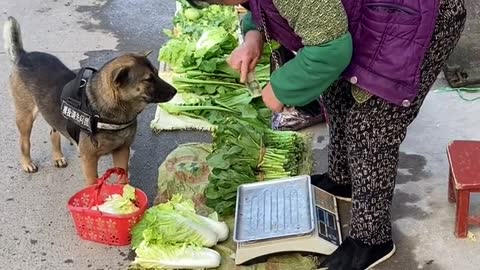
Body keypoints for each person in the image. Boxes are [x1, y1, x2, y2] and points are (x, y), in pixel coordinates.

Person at [187, 0, 466, 269]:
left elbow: (330, 50)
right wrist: (252, 35)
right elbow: (264, 9)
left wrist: (280, 88)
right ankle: (343, 180)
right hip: (374, 14)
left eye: (221, 2)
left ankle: (371, 239)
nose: (224, 7)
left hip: (417, 18)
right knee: (335, 91)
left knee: (371, 126)